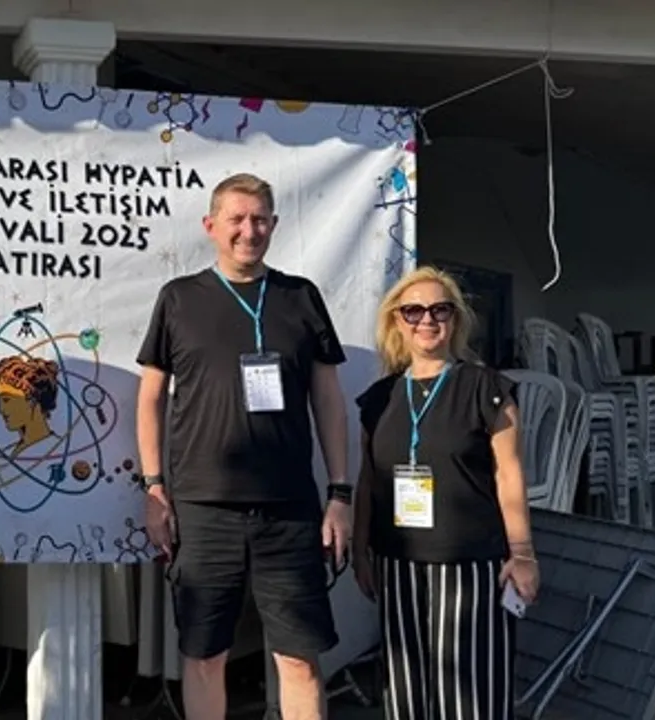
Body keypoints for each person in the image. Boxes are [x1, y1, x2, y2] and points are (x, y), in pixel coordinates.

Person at [136, 173, 353, 720]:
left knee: (299, 658)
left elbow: (328, 399)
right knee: (205, 656)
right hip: (203, 510)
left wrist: (340, 494)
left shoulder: (300, 297)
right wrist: (154, 488)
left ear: (274, 225)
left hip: (290, 510)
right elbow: (151, 398)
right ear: (211, 226)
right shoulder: (179, 298)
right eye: (236, 219)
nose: (248, 231)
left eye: (259, 220)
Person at [351, 266, 538, 720]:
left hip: (471, 566)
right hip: (398, 565)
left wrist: (523, 552)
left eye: (440, 310)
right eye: (413, 311)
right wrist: (359, 551)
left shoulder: (486, 388)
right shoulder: (379, 399)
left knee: (470, 699)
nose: (427, 320)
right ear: (397, 321)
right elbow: (369, 479)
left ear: (455, 320)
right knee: (406, 695)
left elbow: (509, 474)